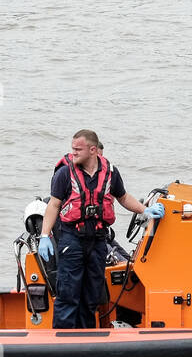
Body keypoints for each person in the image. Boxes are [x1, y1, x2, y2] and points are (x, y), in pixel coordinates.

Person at [37, 130, 164, 328]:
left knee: (91, 297)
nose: (74, 153)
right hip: (71, 239)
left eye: (78, 149)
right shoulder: (64, 174)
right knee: (68, 295)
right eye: (73, 149)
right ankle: (63, 346)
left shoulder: (111, 173)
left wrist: (146, 210)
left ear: (93, 150)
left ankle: (86, 342)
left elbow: (123, 198)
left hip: (98, 241)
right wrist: (44, 235)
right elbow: (54, 205)